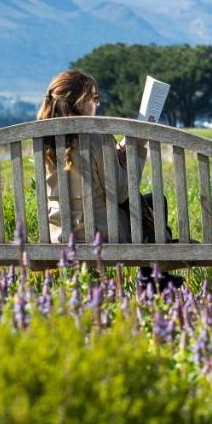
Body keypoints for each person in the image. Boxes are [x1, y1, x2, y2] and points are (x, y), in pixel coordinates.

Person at [37, 69, 184, 291]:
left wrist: (115, 156)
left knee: (149, 204)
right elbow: (121, 192)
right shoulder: (97, 136)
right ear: (78, 102)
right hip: (103, 233)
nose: (97, 104)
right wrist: (136, 149)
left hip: (60, 235)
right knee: (154, 201)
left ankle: (153, 278)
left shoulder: (43, 140)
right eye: (93, 98)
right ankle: (152, 278)